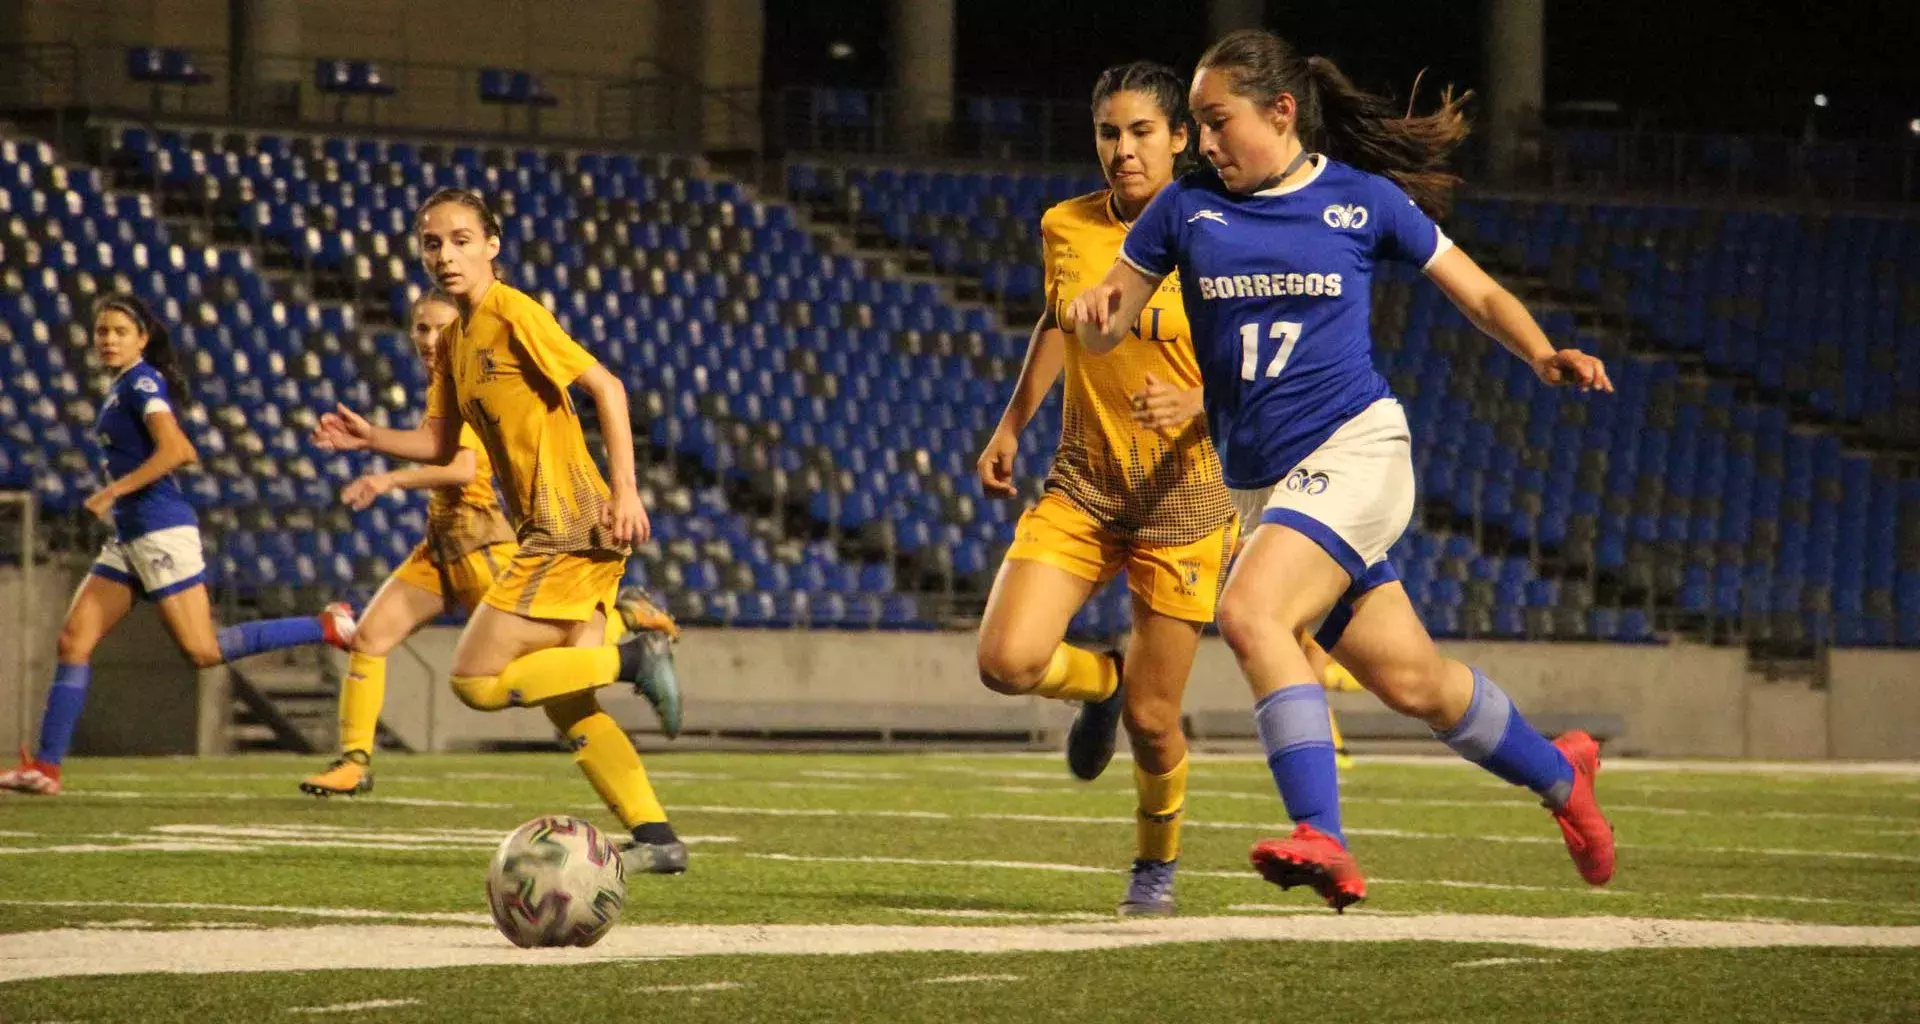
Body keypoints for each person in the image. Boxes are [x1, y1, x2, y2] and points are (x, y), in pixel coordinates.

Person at [1064, 29, 1617, 911]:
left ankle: (1323, 833)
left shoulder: (1361, 202)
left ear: (1281, 112)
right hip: (1265, 489)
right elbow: (1106, 324)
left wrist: (1542, 353)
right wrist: (1093, 312)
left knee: (1248, 610)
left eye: (1216, 121)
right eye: (1200, 127)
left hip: (1355, 450)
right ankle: (1563, 777)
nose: (1202, 144)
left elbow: (1472, 288)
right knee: (1414, 683)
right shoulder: (1185, 211)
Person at [311, 188, 686, 874]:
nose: (445, 254)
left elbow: (607, 388)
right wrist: (372, 441)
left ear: (492, 245)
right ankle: (658, 839)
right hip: (558, 531)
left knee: (475, 679)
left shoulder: (515, 313)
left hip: (571, 523)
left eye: (460, 239)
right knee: (568, 704)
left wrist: (626, 489)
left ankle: (634, 660)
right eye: (432, 243)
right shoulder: (455, 341)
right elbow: (436, 442)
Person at [974, 61, 1240, 918]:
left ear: (1177, 139)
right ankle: (1101, 681)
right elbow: (1059, 320)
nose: (1122, 151)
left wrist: (1202, 398)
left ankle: (1153, 866)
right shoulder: (1066, 224)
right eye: (1108, 133)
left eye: (1140, 134)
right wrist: (1013, 422)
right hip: (1086, 484)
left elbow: (1277, 359)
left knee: (1157, 725)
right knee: (1005, 662)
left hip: (1187, 501)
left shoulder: (1227, 230)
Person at [0, 295, 356, 796]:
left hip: (160, 531)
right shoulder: (123, 385)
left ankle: (326, 624)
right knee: (73, 642)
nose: (108, 340)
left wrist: (112, 491)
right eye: (102, 331)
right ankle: (46, 769)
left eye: (120, 331)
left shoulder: (143, 382)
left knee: (203, 650)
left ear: (142, 339)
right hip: (129, 539)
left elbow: (178, 450)